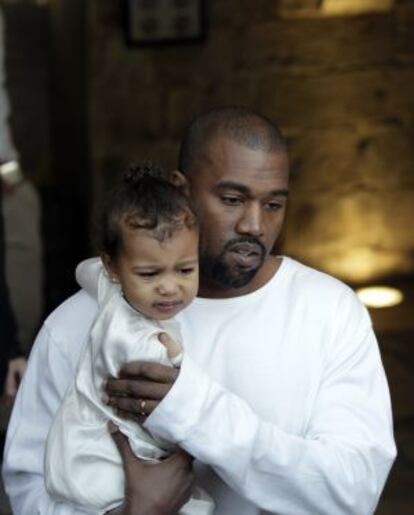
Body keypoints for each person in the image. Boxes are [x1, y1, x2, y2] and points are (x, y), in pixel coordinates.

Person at [3, 106, 396, 515]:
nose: (254, 225)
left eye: (274, 204)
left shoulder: (329, 311)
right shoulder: (80, 322)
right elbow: (28, 485)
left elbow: (353, 493)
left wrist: (197, 411)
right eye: (232, 199)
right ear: (182, 189)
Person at [44, 163, 213, 514]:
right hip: (108, 469)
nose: (170, 286)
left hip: (80, 453)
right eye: (150, 273)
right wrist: (179, 359)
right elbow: (180, 414)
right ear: (114, 267)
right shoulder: (137, 343)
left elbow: (85, 271)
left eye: (185, 269)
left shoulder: (110, 288)